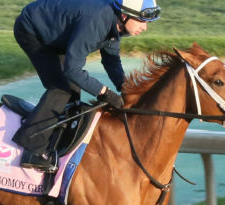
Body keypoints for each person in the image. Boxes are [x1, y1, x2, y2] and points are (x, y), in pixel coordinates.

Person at [12, 0, 162, 171]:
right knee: (62, 89)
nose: (145, 27)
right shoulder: (98, 20)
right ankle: (31, 149)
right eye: (142, 21)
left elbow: (111, 59)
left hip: (58, 34)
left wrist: (125, 88)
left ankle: (57, 139)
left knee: (73, 92)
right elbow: (72, 69)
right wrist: (105, 92)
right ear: (124, 15)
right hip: (32, 30)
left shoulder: (115, 23)